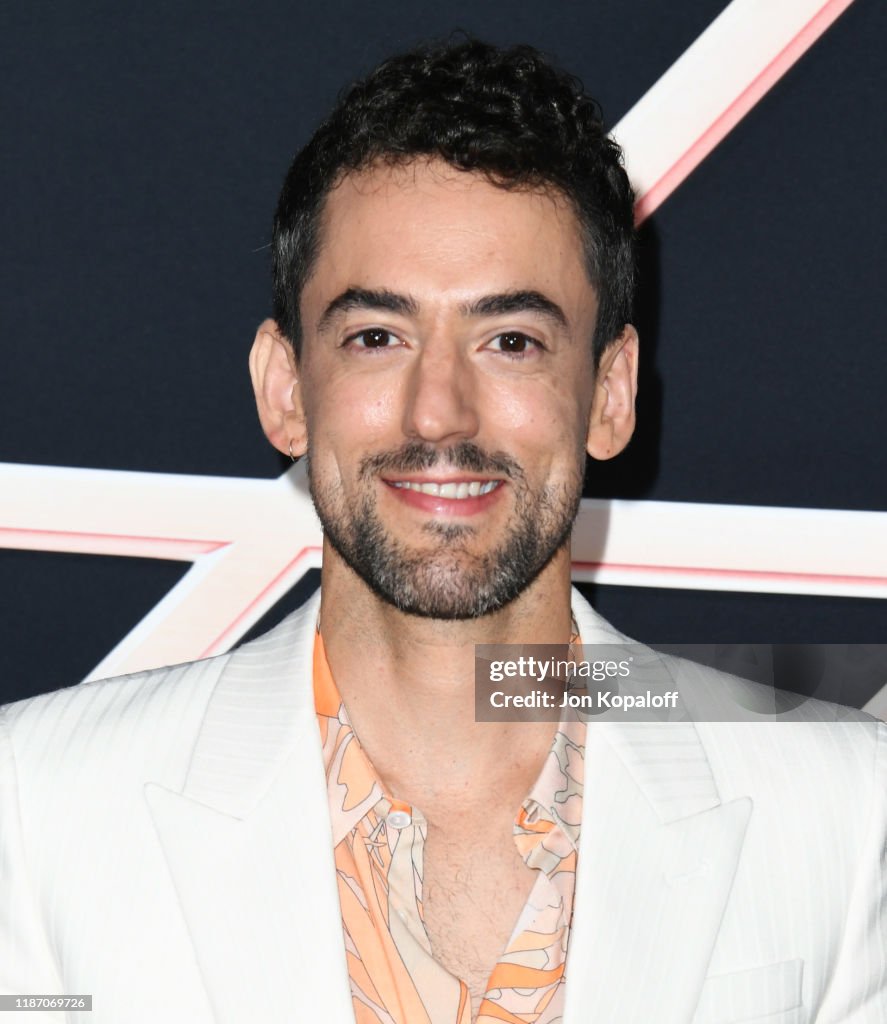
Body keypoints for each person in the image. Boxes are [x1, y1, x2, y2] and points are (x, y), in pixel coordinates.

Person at [1, 38, 884, 1024]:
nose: (438, 415)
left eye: (511, 341)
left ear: (609, 392)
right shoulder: (36, 810)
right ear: (285, 388)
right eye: (376, 337)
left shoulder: (844, 815)